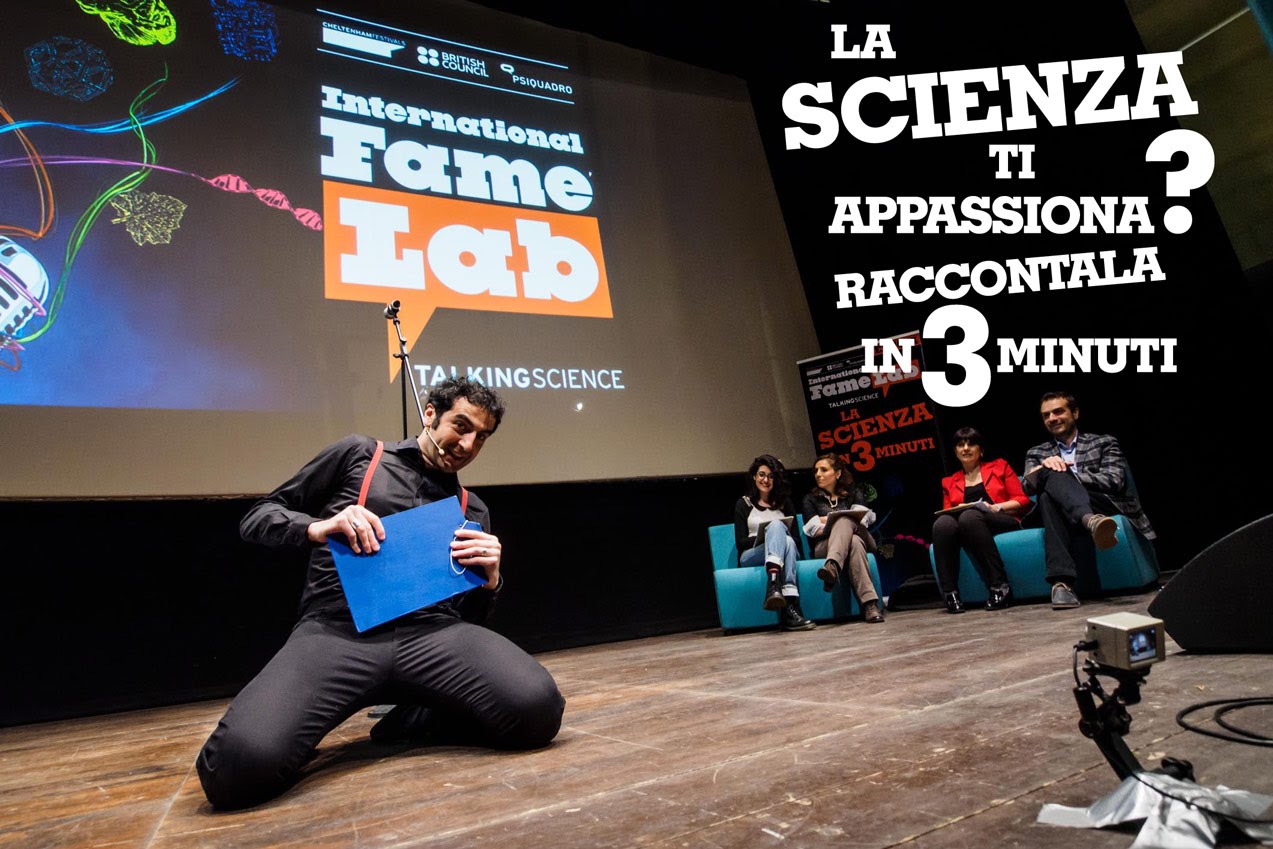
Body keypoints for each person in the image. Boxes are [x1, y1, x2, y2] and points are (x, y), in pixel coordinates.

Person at [196, 378, 565, 809]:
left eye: (481, 437)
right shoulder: (359, 455)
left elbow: (470, 619)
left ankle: (416, 716)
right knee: (234, 768)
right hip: (337, 634)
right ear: (430, 414)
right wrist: (319, 527)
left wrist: (491, 582)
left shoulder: (472, 509)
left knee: (539, 710)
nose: (467, 445)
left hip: (431, 636)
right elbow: (258, 518)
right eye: (461, 426)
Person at [1023, 391, 1155, 610]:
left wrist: (1068, 474)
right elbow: (1027, 487)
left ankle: (1062, 583)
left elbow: (1114, 480)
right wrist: (1049, 469)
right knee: (1047, 494)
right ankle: (1091, 521)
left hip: (1103, 502)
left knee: (1052, 480)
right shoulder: (1037, 452)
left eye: (1058, 411)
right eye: (1046, 415)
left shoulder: (1104, 442)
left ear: (1075, 413)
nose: (1052, 418)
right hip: (1066, 508)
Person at [932, 428, 1031, 614]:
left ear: (981, 450)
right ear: (955, 452)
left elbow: (1022, 500)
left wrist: (995, 507)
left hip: (1003, 518)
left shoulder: (999, 466)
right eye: (960, 445)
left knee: (969, 516)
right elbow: (947, 512)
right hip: (968, 524)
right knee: (942, 524)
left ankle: (1000, 587)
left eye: (971, 444)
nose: (965, 448)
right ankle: (950, 594)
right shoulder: (949, 481)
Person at [733, 454, 815, 631]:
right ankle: (790, 606)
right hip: (752, 555)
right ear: (754, 476)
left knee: (788, 541)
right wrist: (768, 535)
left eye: (771, 476)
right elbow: (740, 543)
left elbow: (796, 539)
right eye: (762, 475)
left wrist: (777, 538)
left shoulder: (785, 503)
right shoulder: (743, 504)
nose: (766, 480)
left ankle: (775, 586)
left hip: (785, 551)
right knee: (776, 526)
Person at [800, 453, 885, 623]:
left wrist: (830, 519)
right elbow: (813, 529)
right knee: (853, 541)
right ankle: (870, 605)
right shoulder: (810, 499)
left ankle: (832, 566)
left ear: (838, 473)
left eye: (823, 470)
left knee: (845, 521)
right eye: (816, 471)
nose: (818, 474)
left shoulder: (854, 493)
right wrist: (843, 518)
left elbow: (863, 519)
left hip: (864, 538)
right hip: (825, 546)